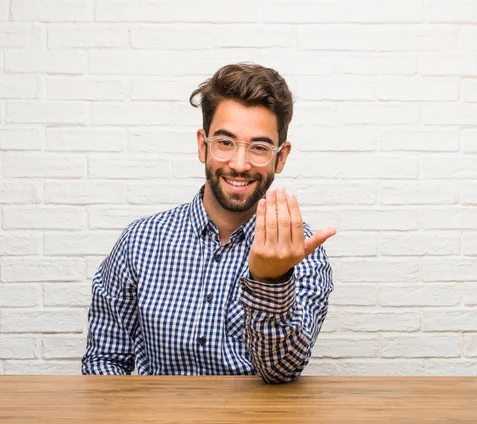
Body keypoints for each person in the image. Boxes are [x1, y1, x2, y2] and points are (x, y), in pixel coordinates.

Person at [81, 63, 336, 383]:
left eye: (259, 147)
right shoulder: (140, 241)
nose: (240, 164)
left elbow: (280, 371)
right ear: (203, 146)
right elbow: (105, 359)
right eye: (225, 143)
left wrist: (271, 282)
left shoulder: (303, 253)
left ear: (280, 158)